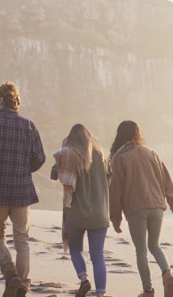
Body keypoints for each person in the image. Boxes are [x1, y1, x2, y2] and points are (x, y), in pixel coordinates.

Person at [0, 82, 47, 297]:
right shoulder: (28, 125)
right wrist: (24, 170)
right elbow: (40, 158)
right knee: (22, 239)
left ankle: (10, 274)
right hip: (22, 192)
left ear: (0, 100)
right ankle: (22, 285)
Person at [108, 120, 173, 297]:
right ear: (137, 134)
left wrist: (115, 217)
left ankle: (148, 291)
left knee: (141, 250)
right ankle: (167, 273)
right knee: (155, 245)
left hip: (136, 208)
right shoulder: (152, 153)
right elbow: (166, 180)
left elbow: (115, 190)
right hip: (157, 206)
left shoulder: (118, 158)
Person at [57, 124, 111, 297]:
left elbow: (60, 175)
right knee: (98, 256)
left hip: (76, 213)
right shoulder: (101, 155)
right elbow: (109, 179)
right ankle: (101, 294)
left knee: (75, 249)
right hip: (99, 214)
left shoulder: (70, 155)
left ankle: (84, 280)